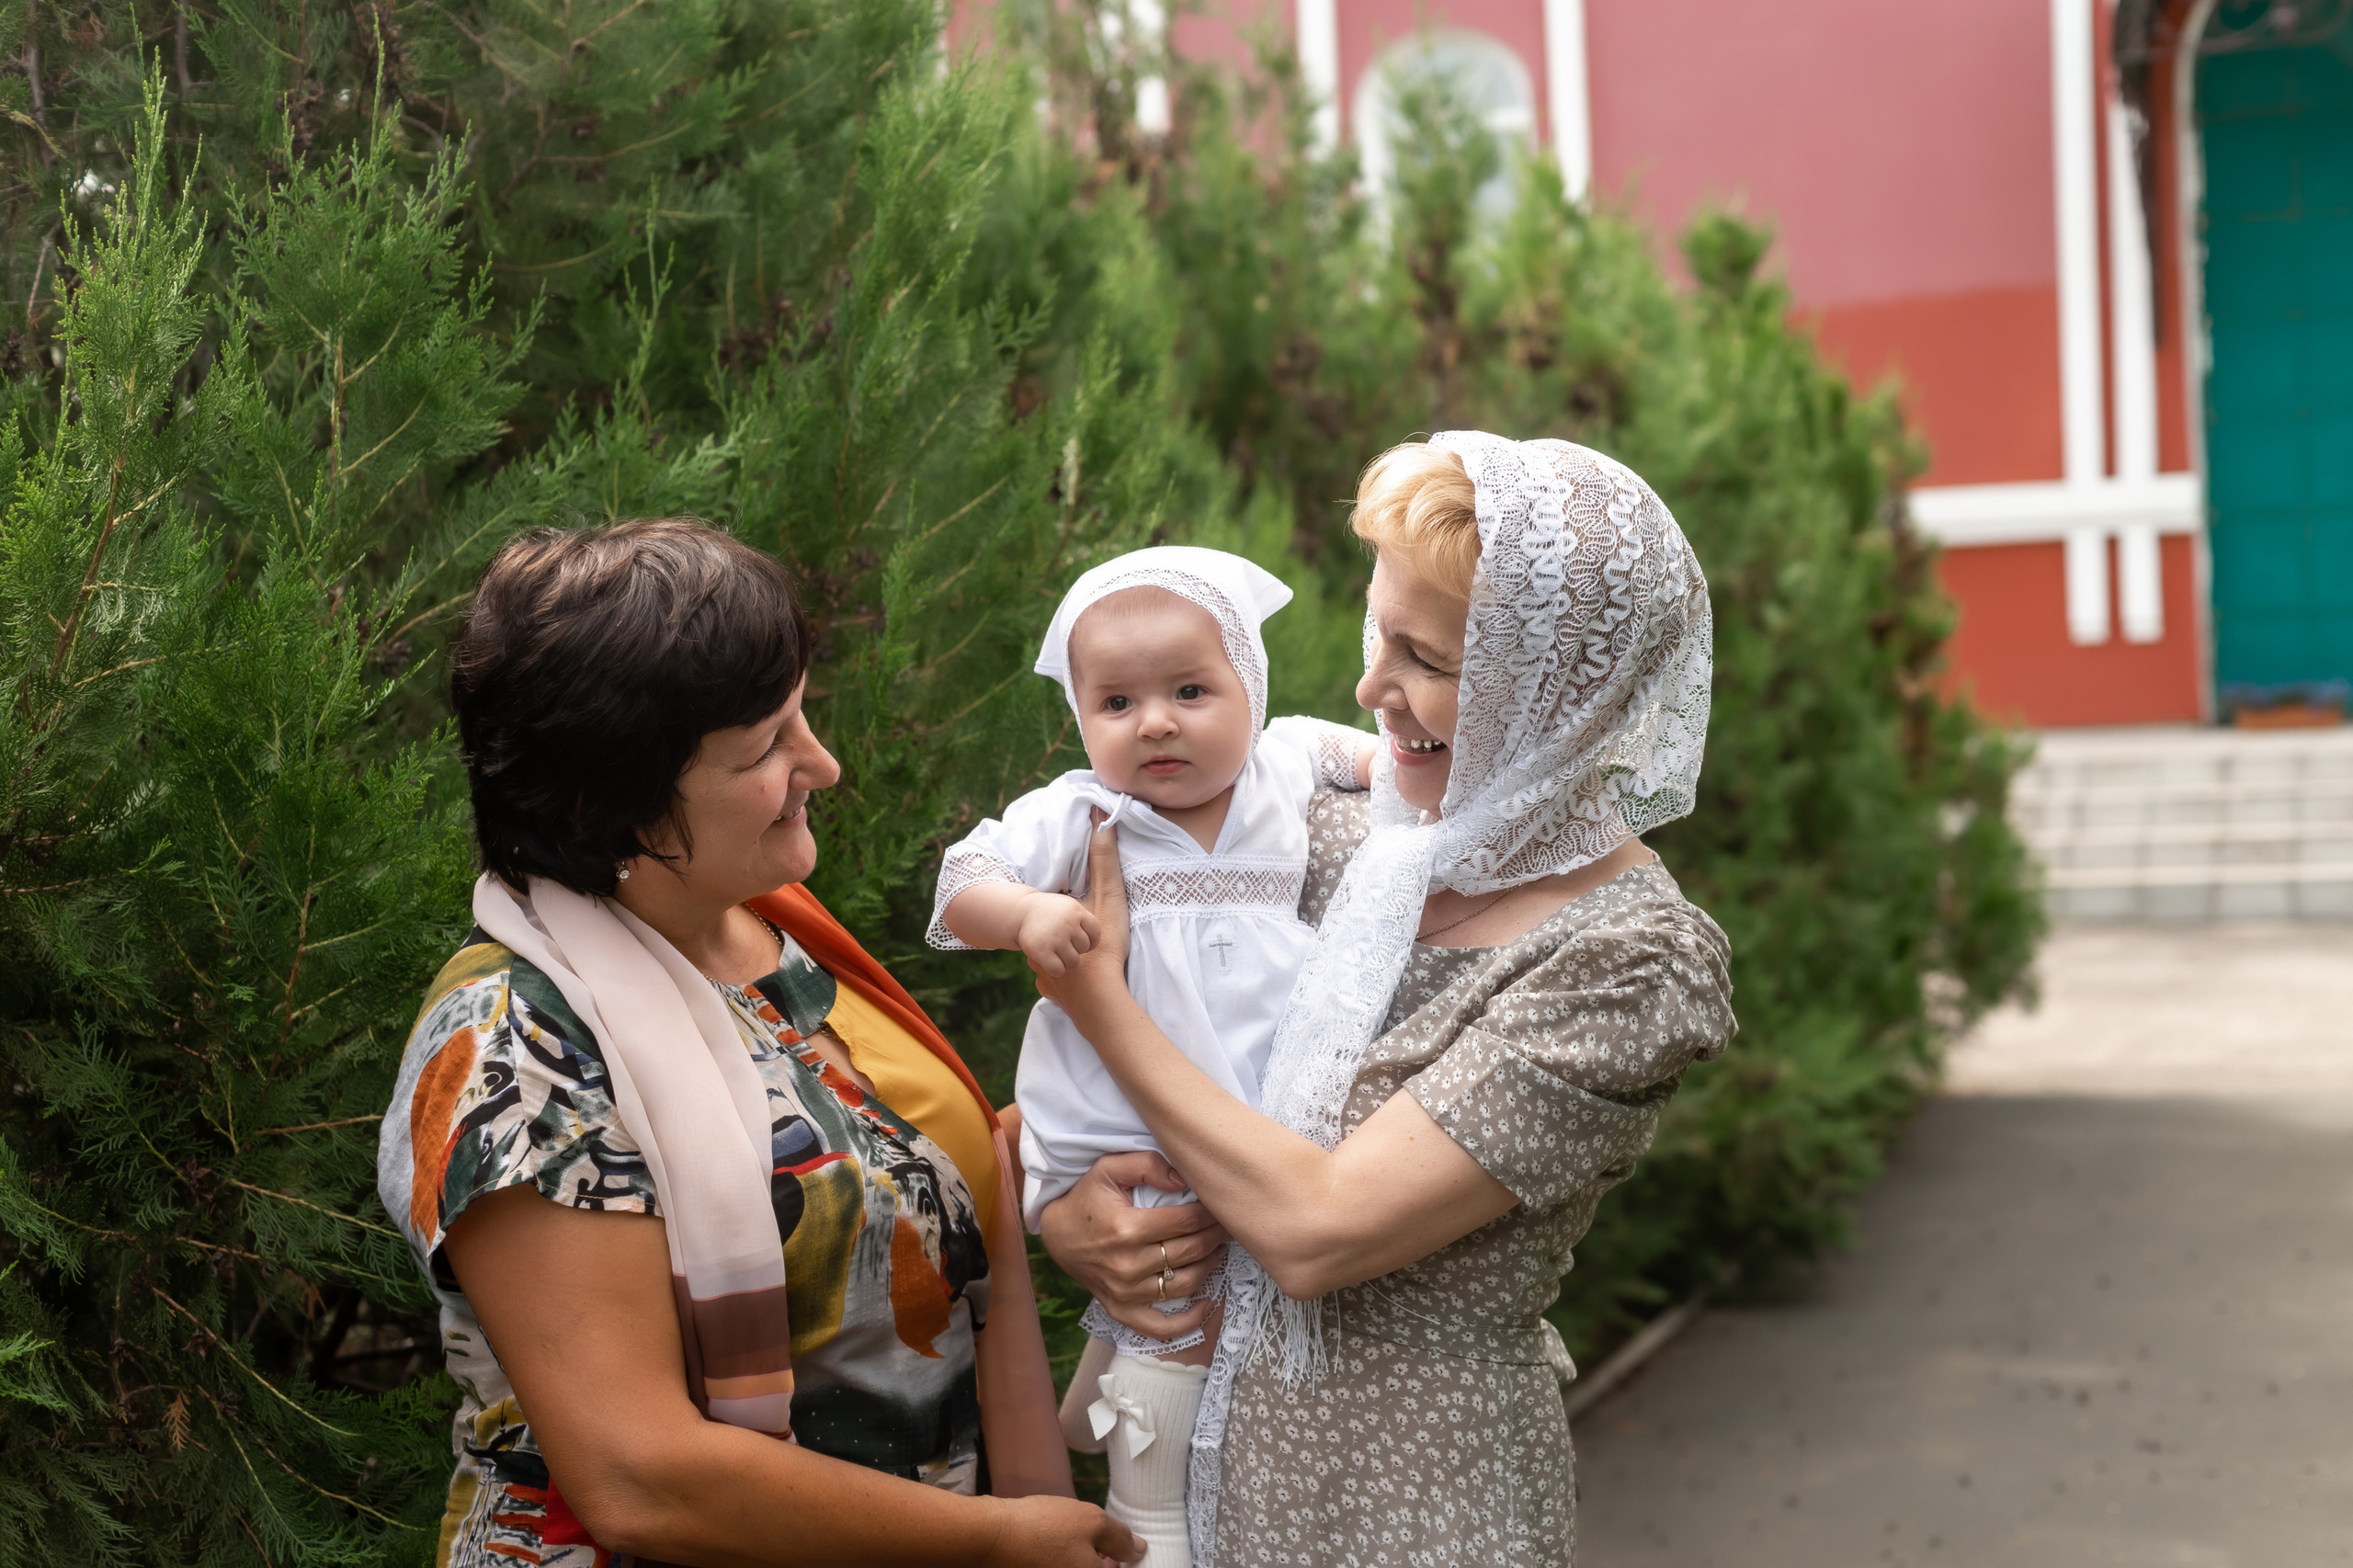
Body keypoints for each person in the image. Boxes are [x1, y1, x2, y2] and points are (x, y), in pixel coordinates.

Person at [376, 518, 1137, 1568]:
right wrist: (991, 1539)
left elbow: (895, 1163)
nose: (820, 761)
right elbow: (640, 1474)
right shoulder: (515, 1047)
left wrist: (1065, 1184)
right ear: (616, 807)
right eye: (763, 748)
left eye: (799, 715)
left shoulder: (771, 927)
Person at [1035, 435, 1740, 1566]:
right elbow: (1102, 1099)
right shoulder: (1330, 838)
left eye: (1426, 657)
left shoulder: (1627, 957)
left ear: (1555, 693)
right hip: (1199, 1471)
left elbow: (1313, 1230)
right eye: (1379, 635)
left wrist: (1099, 1001)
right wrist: (1069, 1219)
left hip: (1414, 1504)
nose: (1369, 689)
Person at [928, 546, 1373, 1567]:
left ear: (1250, 688)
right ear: (1081, 717)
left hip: (1266, 1108)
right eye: (1116, 700)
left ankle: (1217, 1496)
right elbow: (962, 880)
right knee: (1171, 1295)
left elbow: (1400, 760)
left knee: (1251, 1304)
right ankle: (1148, 1518)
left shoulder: (1289, 761)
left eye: (1188, 690)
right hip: (1133, 1122)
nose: (1155, 721)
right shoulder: (1087, 809)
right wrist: (1031, 910)